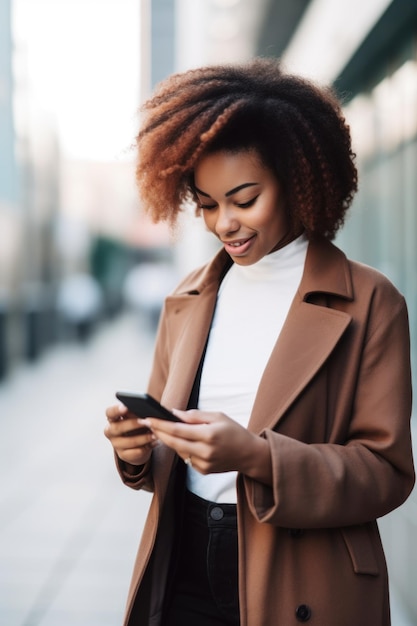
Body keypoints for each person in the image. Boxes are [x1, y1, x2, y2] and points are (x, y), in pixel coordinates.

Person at [104, 58, 415, 626]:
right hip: (184, 564)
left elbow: (386, 473)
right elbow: (163, 452)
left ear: (298, 182)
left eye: (244, 199)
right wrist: (136, 452)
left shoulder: (372, 301)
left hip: (303, 576)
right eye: (207, 204)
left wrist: (255, 456)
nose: (224, 223)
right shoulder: (189, 298)